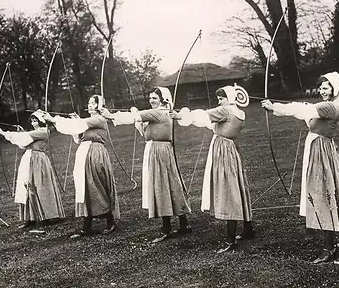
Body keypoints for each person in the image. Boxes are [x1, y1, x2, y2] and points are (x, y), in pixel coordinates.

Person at [261, 71, 339, 264]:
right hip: (323, 149)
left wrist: (274, 107)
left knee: (322, 194)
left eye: (326, 87)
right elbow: (308, 110)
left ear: (335, 88)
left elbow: (302, 110)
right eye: (321, 88)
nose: (322, 91)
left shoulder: (330, 106)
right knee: (335, 191)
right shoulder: (331, 105)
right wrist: (277, 109)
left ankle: (329, 248)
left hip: (321, 152)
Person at [169, 84, 255, 254]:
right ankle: (248, 228)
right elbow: (214, 123)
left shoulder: (226, 110)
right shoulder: (239, 113)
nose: (219, 101)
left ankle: (231, 239)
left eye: (221, 98)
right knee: (237, 187)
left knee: (228, 190)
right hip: (231, 150)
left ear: (229, 98)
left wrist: (181, 115)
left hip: (223, 150)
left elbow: (203, 116)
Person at [101, 87, 192, 243]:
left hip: (159, 152)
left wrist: (110, 115)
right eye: (150, 98)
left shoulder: (158, 112)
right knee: (171, 185)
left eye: (154, 98)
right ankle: (183, 224)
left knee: (162, 186)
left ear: (163, 100)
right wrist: (135, 115)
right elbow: (143, 125)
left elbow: (134, 117)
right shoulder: (163, 112)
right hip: (162, 150)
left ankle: (167, 229)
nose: (151, 101)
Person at [41, 94, 119, 238]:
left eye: (93, 103)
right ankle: (86, 225)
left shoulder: (98, 119)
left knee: (96, 186)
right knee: (85, 187)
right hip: (84, 152)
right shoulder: (87, 121)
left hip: (95, 153)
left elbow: (80, 125)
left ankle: (110, 221)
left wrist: (53, 119)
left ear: (99, 105)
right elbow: (77, 134)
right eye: (89, 103)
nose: (90, 105)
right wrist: (74, 121)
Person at [0, 111, 66, 233]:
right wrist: (21, 133)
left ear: (42, 121)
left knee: (38, 187)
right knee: (25, 187)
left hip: (38, 161)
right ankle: (30, 218)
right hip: (28, 159)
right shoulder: (34, 133)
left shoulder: (44, 131)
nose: (34, 123)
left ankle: (43, 217)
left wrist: (3, 133)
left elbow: (25, 138)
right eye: (32, 121)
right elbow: (23, 143)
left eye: (36, 121)